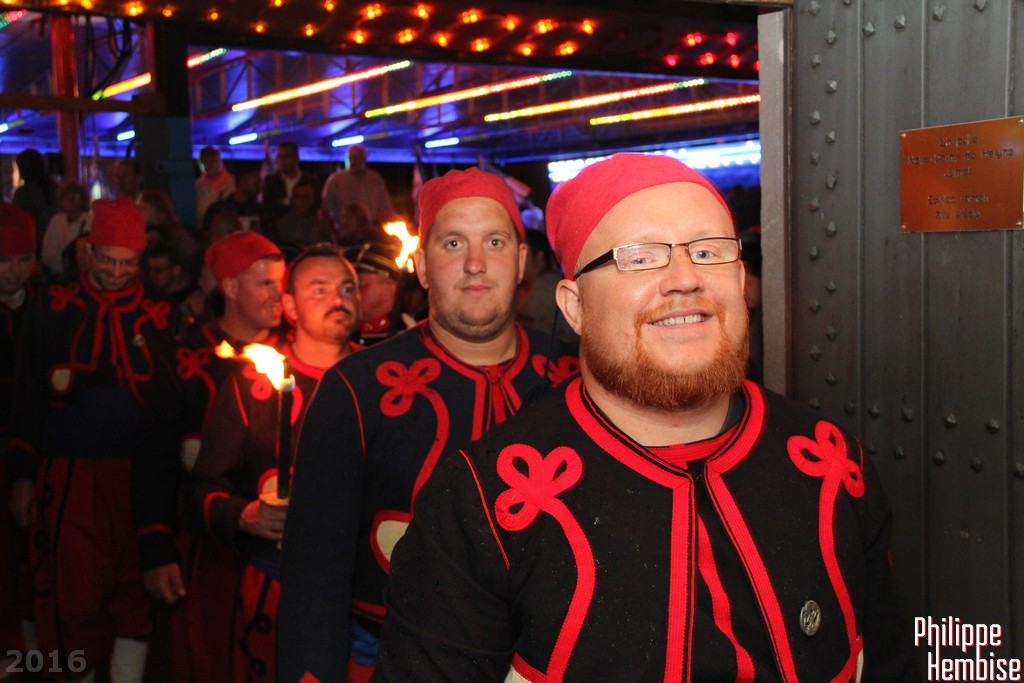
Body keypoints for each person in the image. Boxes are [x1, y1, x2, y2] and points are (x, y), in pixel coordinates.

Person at [374, 154, 915, 681]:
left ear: (741, 280)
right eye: (638, 256)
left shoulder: (831, 463)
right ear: (574, 307)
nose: (685, 278)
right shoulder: (478, 503)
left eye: (708, 251)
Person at [277, 167, 579, 683]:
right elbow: (313, 577)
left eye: (495, 242)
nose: (475, 263)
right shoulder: (355, 388)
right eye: (453, 243)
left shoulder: (576, 376)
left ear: (521, 261)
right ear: (420, 266)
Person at [6, 197, 180, 682]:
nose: (117, 273)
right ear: (87, 250)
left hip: (140, 477)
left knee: (134, 591)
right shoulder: (52, 305)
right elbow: (28, 394)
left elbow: (169, 407)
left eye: (129, 263)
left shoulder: (162, 314)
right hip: (70, 477)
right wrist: (22, 474)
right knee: (72, 595)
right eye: (108, 260)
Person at [186, 244, 362, 683]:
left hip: (363, 599)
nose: (338, 299)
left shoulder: (385, 380)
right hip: (274, 595)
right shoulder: (251, 386)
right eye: (320, 290)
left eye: (347, 288)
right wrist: (245, 514)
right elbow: (202, 488)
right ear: (289, 306)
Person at [131, 230, 286, 683]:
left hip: (278, 553)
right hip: (206, 549)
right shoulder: (186, 357)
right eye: (265, 284)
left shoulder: (292, 356)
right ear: (230, 286)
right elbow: (155, 458)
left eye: (281, 283)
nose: (279, 296)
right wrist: (157, 548)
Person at [0, 203, 38, 677]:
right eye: (4, 261)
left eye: (22, 260)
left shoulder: (47, 306)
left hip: (33, 448)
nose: (13, 271)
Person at [343, 241, 413, 345]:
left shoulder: (407, 334)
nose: (355, 292)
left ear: (391, 287)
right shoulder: (347, 332)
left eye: (362, 284)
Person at [321, 144, 393, 230]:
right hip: (345, 232)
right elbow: (325, 210)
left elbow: (385, 207)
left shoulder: (375, 179)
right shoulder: (336, 180)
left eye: (356, 158)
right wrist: (333, 231)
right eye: (350, 158)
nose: (352, 162)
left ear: (364, 159)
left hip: (370, 231)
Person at [41, 180, 92, 280]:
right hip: (56, 275)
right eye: (67, 197)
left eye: (76, 196)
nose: (71, 200)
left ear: (83, 200)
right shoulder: (56, 220)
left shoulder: (90, 221)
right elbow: (46, 255)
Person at [268, 181, 333, 249]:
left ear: (312, 199)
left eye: (307, 197)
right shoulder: (281, 225)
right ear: (292, 199)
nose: (303, 201)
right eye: (299, 196)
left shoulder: (321, 226)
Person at [194, 146, 236, 227]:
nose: (210, 163)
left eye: (213, 159)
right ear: (201, 163)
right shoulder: (196, 186)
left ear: (220, 161)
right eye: (206, 160)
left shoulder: (233, 182)